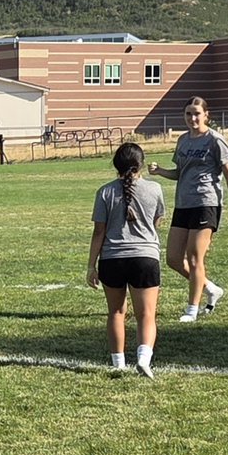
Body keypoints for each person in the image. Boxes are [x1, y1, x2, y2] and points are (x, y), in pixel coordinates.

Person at [148, 95, 228, 322]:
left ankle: (192, 309)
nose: (192, 118)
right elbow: (179, 172)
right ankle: (211, 288)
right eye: (188, 113)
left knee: (194, 257)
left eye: (197, 113)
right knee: (173, 258)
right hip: (184, 204)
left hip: (206, 203)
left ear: (206, 115)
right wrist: (160, 171)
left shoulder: (214, 140)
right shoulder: (183, 141)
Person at [87, 142, 165, 378]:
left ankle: (118, 363)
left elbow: (99, 232)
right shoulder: (155, 189)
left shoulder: (104, 192)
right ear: (141, 164)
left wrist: (91, 265)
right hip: (145, 258)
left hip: (112, 259)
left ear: (115, 165)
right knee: (147, 314)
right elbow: (156, 221)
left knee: (116, 313)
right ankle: (143, 358)